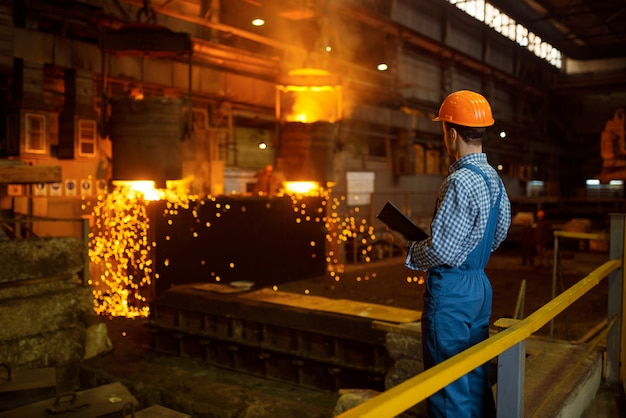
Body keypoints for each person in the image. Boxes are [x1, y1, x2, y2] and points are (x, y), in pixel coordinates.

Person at [388, 90, 511, 418]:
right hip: (479, 287)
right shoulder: (493, 180)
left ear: (452, 133)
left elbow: (443, 249)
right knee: (474, 376)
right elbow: (498, 235)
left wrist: (409, 247)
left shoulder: (459, 181)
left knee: (447, 386)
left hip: (453, 293)